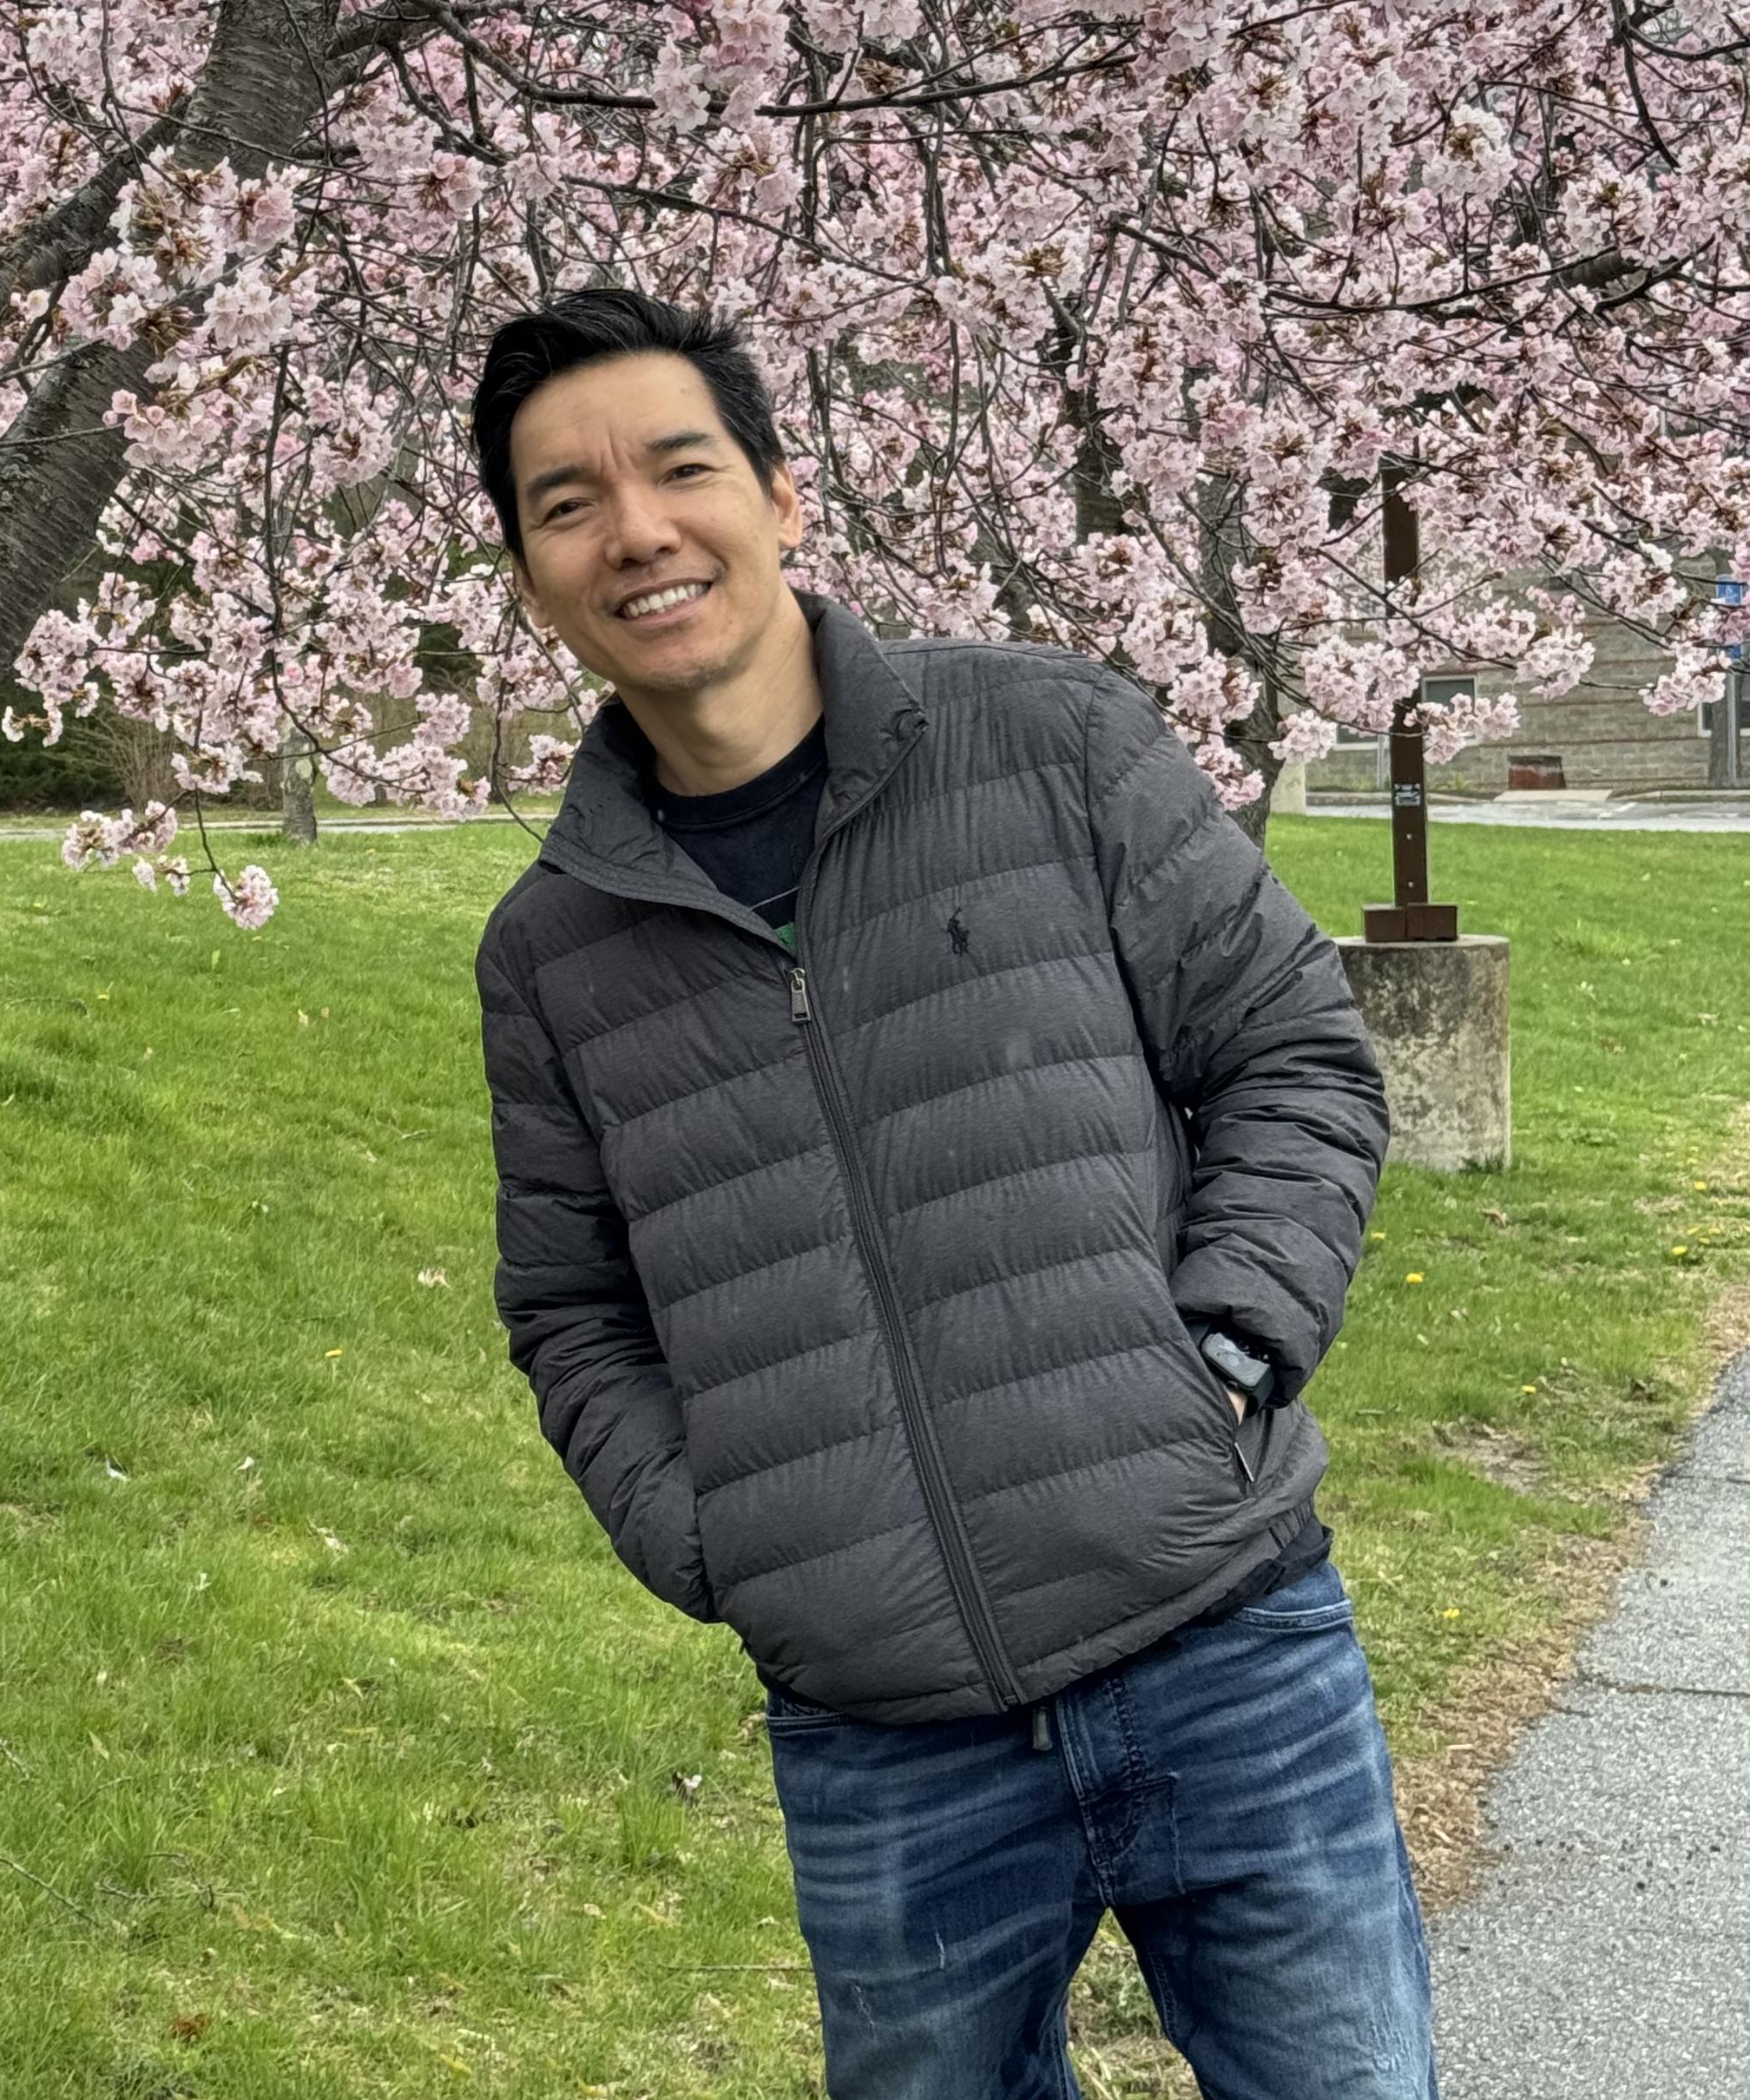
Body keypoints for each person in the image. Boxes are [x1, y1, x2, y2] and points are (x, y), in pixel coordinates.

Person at [470, 286, 1431, 2100]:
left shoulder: (1050, 742)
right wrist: (722, 1538)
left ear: (781, 494)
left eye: (681, 469)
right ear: (530, 577)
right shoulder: (551, 952)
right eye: (566, 504)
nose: (637, 532)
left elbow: (1292, 1051)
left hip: (1222, 1640)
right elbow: (573, 1310)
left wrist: (1227, 1350)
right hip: (884, 1741)